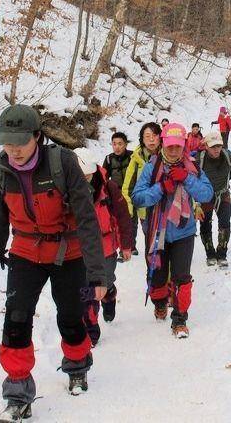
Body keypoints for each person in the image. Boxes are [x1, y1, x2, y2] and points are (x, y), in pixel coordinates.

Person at [0, 105, 107, 422]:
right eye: (7, 142)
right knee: (15, 319)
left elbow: (87, 220)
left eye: (20, 142)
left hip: (69, 253)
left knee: (70, 316)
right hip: (25, 251)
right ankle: (17, 394)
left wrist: (97, 274)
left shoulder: (62, 163)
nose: (14, 149)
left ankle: (78, 366)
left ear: (37, 137)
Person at [131, 123, 213, 338]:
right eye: (170, 146)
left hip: (184, 232)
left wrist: (186, 179)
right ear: (163, 144)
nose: (174, 150)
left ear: (184, 145)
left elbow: (206, 194)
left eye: (178, 146)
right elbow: (138, 197)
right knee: (158, 278)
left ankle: (179, 319)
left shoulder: (192, 167)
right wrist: (161, 188)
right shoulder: (153, 167)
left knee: (182, 277)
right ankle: (159, 303)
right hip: (157, 232)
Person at [74, 148, 134, 346]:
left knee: (104, 285)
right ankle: (91, 329)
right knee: (87, 292)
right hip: (80, 249)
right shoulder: (67, 188)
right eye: (80, 176)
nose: (84, 180)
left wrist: (126, 245)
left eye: (88, 176)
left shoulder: (109, 188)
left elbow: (123, 217)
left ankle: (110, 296)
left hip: (106, 248)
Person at [196, 132, 231, 268]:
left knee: (225, 223)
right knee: (205, 224)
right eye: (213, 146)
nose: (216, 149)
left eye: (219, 146)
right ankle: (210, 254)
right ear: (206, 146)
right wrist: (195, 202)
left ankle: (222, 254)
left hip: (223, 194)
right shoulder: (200, 159)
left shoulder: (227, 157)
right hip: (205, 196)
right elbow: (193, 180)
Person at [122, 123, 162, 253]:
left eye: (155, 135)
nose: (151, 139)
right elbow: (127, 188)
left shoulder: (169, 154)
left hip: (165, 209)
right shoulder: (136, 159)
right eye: (147, 136)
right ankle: (155, 270)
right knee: (151, 244)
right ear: (142, 139)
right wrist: (128, 211)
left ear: (161, 137)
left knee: (163, 245)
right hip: (145, 211)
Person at [103, 132, 136, 258]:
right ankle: (124, 246)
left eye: (120, 144)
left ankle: (131, 245)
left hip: (132, 191)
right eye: (114, 144)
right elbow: (104, 178)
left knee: (132, 220)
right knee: (119, 220)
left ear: (125, 144)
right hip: (116, 194)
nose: (117, 147)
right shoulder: (108, 159)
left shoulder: (133, 156)